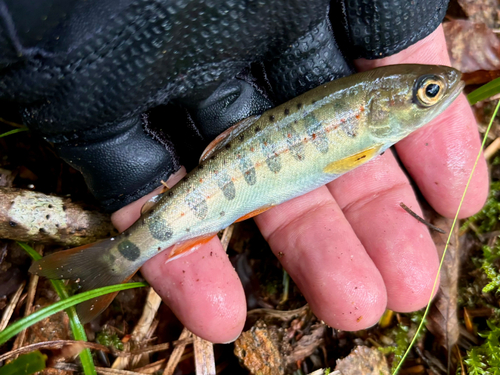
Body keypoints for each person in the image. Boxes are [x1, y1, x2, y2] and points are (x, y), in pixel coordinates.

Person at [0, 0, 488, 343]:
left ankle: (114, 259)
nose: (438, 93)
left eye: (427, 92)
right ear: (382, 107)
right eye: (426, 93)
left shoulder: (369, 119)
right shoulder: (367, 124)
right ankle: (114, 260)